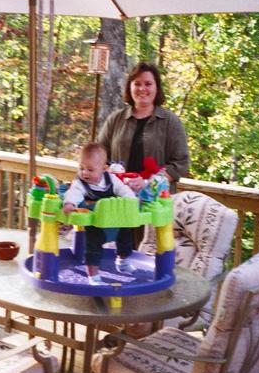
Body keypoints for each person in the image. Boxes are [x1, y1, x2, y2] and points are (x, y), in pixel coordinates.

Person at [98, 62, 189, 194]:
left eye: (148, 84)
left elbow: (181, 163)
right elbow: (99, 155)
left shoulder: (170, 122)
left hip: (156, 198)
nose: (142, 88)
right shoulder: (115, 119)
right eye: (137, 84)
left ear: (157, 87)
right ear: (130, 87)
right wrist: (110, 172)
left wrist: (149, 182)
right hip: (118, 196)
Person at [63, 142, 137, 285]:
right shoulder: (80, 183)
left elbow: (124, 190)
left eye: (90, 170)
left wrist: (131, 201)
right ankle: (93, 275)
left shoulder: (112, 180)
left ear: (104, 169)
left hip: (114, 218)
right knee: (93, 245)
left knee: (126, 234)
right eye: (81, 168)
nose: (85, 173)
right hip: (94, 221)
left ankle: (123, 261)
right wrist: (70, 203)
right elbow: (74, 193)